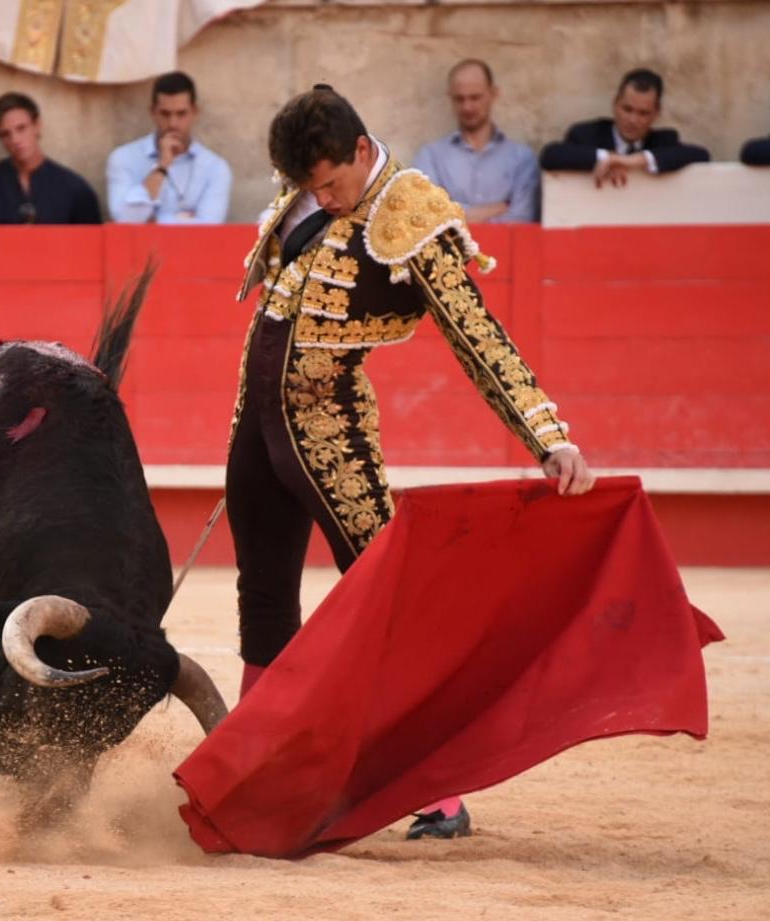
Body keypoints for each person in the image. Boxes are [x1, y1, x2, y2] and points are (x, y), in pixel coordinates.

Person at [229, 85, 595, 841]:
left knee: (387, 602)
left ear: (362, 151)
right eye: (310, 187)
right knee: (261, 592)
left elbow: (476, 334)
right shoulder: (308, 193)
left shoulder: (410, 214)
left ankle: (441, 791)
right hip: (257, 427)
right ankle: (251, 758)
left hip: (330, 433)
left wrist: (545, 434)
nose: (323, 199)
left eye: (332, 183)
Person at [412, 60, 539, 223]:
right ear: (450, 97)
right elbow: (427, 217)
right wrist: (495, 209)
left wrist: (454, 215)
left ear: (493, 94)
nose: (467, 107)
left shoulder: (522, 159)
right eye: (459, 99)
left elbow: (521, 219)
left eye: (475, 97)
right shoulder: (430, 157)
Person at [539, 68, 709, 187]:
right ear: (615, 105)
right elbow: (551, 155)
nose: (633, 120)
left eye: (643, 113)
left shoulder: (664, 140)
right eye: (627, 109)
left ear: (656, 114)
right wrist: (608, 157)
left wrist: (633, 161)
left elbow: (702, 155)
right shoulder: (587, 134)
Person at [105, 71, 231, 223]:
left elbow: (209, 226)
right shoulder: (124, 158)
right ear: (153, 112)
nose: (173, 124)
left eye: (181, 114)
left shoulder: (215, 167)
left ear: (194, 112)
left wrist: (154, 223)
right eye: (165, 114)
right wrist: (162, 166)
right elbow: (124, 219)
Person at [0, 92, 101, 224]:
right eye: (5, 134)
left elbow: (92, 238)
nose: (15, 140)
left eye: (21, 128)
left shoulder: (75, 190)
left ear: (37, 126)